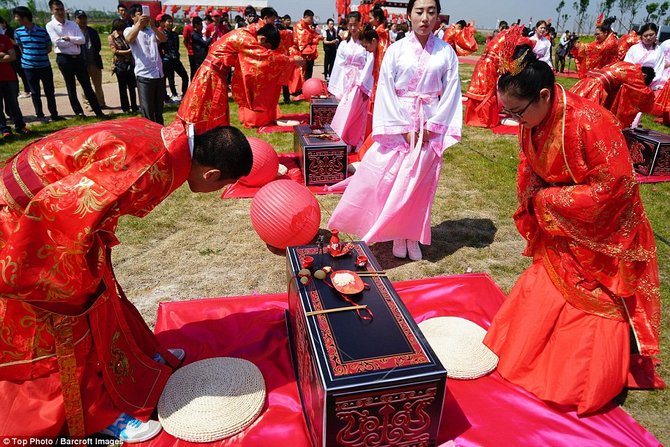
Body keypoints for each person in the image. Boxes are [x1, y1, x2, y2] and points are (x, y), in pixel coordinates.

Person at [0, 116, 253, 441]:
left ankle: (136, 364)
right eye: (222, 185)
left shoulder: (160, 138)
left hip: (56, 216)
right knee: (70, 322)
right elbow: (56, 210)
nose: (217, 190)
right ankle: (99, 414)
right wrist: (75, 278)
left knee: (103, 295)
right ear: (212, 174)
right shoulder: (150, 166)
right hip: (30, 230)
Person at [483, 44, 662, 415]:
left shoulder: (591, 122)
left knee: (590, 305)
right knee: (543, 289)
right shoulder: (537, 118)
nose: (514, 120)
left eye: (517, 112)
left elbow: (614, 188)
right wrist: (535, 196)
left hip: (604, 231)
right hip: (563, 229)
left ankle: (577, 379)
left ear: (544, 95)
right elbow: (529, 166)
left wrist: (547, 202)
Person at [328, 0, 462, 262]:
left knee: (419, 184)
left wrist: (433, 127)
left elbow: (451, 92)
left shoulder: (446, 53)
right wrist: (401, 129)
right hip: (400, 122)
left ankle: (411, 234)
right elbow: (387, 90)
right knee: (393, 180)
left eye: (431, 12)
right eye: (419, 12)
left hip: (430, 124)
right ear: (409, 15)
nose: (425, 18)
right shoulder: (395, 50)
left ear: (438, 16)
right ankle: (397, 234)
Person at [178, 23, 303, 131]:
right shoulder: (246, 39)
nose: (263, 49)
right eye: (266, 47)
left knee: (210, 109)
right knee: (206, 109)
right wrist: (291, 60)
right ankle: (201, 135)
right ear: (263, 39)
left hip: (214, 73)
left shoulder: (247, 33)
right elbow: (265, 57)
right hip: (211, 75)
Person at [46, 0, 105, 119]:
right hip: (64, 59)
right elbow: (58, 42)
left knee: (86, 85)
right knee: (70, 86)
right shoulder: (50, 25)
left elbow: (82, 40)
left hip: (77, 58)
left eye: (61, 9)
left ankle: (98, 111)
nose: (60, 12)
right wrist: (73, 41)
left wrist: (68, 39)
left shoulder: (72, 24)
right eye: (57, 9)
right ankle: (78, 112)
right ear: (52, 10)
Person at [464, 24, 527, 127]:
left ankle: (473, 118)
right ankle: (484, 120)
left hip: (482, 62)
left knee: (479, 90)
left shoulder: (504, 34)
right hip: (490, 65)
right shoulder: (514, 38)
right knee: (487, 92)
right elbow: (506, 58)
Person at [328, 11, 370, 148]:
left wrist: (363, 81)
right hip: (346, 80)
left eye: (355, 25)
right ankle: (343, 136)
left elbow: (369, 63)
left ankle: (353, 139)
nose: (353, 28)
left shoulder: (365, 43)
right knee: (345, 108)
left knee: (355, 111)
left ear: (360, 24)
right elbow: (338, 65)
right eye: (350, 25)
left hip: (360, 81)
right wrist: (339, 84)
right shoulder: (343, 44)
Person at [13, 6, 62, 122]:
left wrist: (39, 54)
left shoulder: (42, 31)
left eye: (17, 16)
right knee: (35, 93)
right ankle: (40, 115)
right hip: (28, 67)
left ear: (24, 17)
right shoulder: (18, 32)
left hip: (44, 66)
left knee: (49, 91)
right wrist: (29, 57)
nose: (15, 19)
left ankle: (54, 114)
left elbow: (49, 47)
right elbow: (21, 48)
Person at [570, 61, 655, 126]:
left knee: (571, 109)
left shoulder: (628, 65)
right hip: (597, 88)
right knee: (585, 121)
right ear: (644, 76)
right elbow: (645, 95)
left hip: (586, 81)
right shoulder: (638, 76)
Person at [125, 3, 167, 125]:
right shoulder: (130, 30)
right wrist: (138, 24)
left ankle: (160, 131)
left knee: (159, 109)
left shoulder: (150, 31)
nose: (143, 17)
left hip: (158, 74)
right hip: (144, 75)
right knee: (147, 110)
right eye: (139, 15)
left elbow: (163, 39)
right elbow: (129, 39)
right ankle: (149, 135)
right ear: (133, 17)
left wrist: (153, 27)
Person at [74, 10, 107, 110]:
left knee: (98, 84)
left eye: (84, 18)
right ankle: (88, 104)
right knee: (85, 85)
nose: (83, 20)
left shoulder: (92, 31)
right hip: (81, 62)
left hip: (94, 61)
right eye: (80, 18)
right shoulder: (74, 32)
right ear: (75, 19)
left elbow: (98, 46)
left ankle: (101, 103)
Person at [0, 28, 28, 137]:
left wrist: (4, 56)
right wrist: (3, 54)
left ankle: (20, 126)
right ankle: (4, 129)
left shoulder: (5, 39)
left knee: (13, 104)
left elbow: (12, 56)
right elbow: (7, 55)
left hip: (9, 77)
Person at [109, 18, 138, 113]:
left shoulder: (125, 35)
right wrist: (128, 51)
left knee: (132, 87)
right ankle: (125, 108)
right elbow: (115, 51)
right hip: (120, 64)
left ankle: (134, 106)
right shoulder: (112, 37)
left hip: (129, 63)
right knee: (122, 87)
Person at [624, 23, 665, 90]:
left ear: (656, 34)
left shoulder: (659, 50)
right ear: (641, 36)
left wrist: (650, 82)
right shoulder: (634, 48)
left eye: (651, 35)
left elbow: (659, 69)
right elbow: (627, 65)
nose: (648, 38)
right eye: (645, 36)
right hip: (632, 82)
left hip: (651, 84)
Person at [0, 16, 31, 99]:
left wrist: (8, 40)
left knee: (21, 73)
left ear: (4, 23)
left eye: (1, 23)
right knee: (13, 75)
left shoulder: (10, 31)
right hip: (7, 58)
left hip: (16, 55)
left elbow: (17, 43)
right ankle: (16, 91)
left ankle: (27, 90)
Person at [159, 14, 188, 102]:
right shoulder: (162, 35)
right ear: (164, 23)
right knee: (171, 78)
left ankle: (184, 93)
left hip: (176, 58)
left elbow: (177, 47)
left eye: (172, 21)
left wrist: (177, 55)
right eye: (169, 21)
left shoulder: (175, 34)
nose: (171, 23)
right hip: (167, 60)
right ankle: (174, 94)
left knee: (185, 76)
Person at [294, 9, 320, 80]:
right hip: (303, 53)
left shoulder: (307, 26)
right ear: (306, 16)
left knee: (309, 72)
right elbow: (303, 40)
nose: (312, 20)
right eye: (311, 18)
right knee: (304, 73)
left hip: (309, 52)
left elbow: (312, 35)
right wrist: (315, 39)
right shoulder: (299, 25)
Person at [182, 12, 197, 79]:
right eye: (193, 18)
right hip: (191, 52)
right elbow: (184, 40)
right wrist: (188, 48)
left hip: (198, 51)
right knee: (193, 69)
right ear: (190, 18)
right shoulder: (187, 27)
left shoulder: (198, 26)